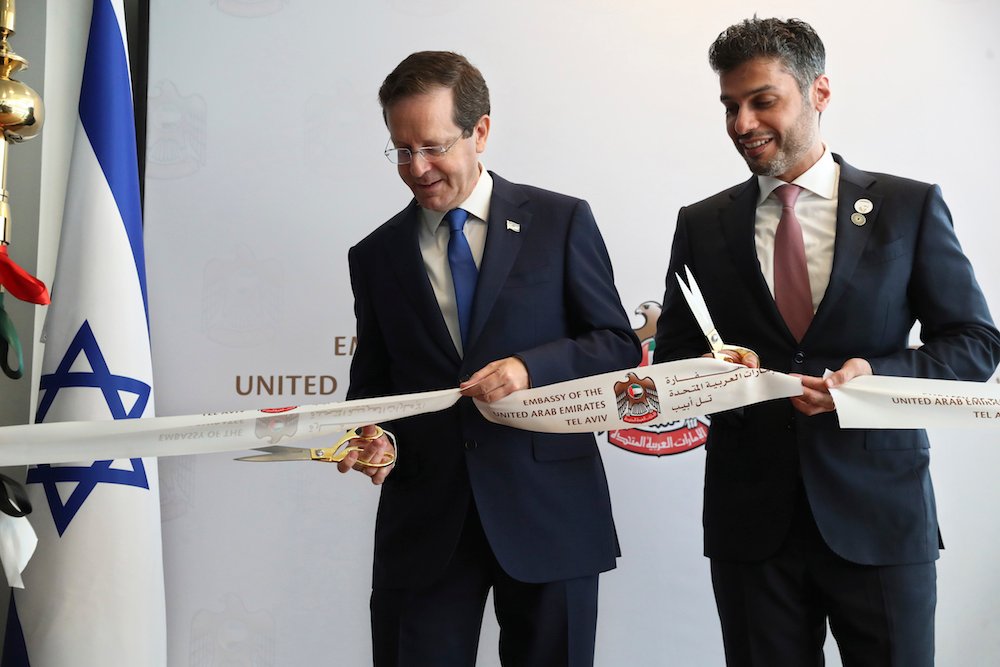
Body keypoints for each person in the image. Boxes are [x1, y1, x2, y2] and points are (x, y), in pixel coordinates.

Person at [654, 17, 1000, 667]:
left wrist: (877, 378)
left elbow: (975, 343)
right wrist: (715, 374)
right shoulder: (701, 225)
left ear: (820, 92)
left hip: (881, 518)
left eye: (763, 100)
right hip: (751, 526)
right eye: (730, 105)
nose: (741, 123)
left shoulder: (908, 207)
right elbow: (671, 355)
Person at [340, 51, 641, 667]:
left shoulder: (560, 221)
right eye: (401, 150)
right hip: (425, 526)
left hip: (548, 512)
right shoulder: (375, 255)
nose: (416, 168)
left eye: (431, 146)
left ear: (479, 131)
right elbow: (372, 388)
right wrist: (374, 436)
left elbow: (615, 342)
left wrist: (529, 369)